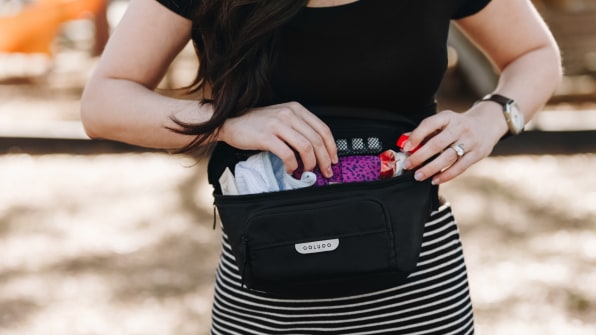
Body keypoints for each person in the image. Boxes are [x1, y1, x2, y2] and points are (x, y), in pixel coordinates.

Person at [80, 0, 561, 333]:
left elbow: (535, 54)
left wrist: (492, 117)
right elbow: (103, 102)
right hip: (265, 299)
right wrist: (228, 123)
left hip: (415, 292)